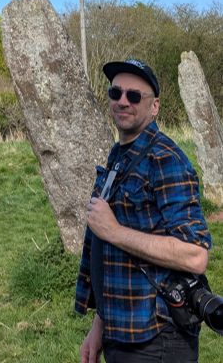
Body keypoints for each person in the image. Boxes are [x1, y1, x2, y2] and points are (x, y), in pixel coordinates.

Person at [75, 57, 212, 363]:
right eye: (116, 93)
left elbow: (195, 255)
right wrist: (99, 325)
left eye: (134, 96)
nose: (123, 101)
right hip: (122, 331)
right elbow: (114, 258)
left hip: (157, 339)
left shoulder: (166, 159)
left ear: (155, 107)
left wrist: (114, 231)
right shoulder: (120, 155)